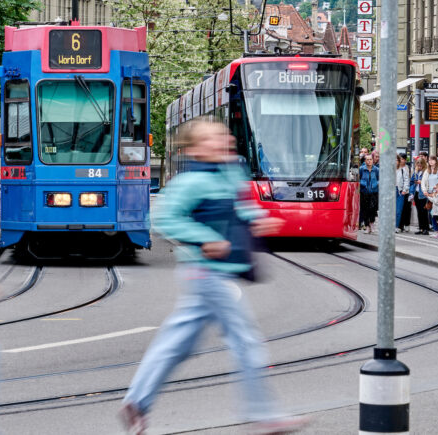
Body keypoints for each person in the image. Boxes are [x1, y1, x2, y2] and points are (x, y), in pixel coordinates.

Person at [119, 120, 302, 435]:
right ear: (193, 150)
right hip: (207, 273)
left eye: (221, 136)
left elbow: (240, 208)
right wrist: (205, 237)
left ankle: (136, 403)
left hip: (212, 274)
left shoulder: (229, 173)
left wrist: (258, 220)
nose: (221, 141)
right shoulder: (191, 182)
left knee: (177, 344)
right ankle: (264, 414)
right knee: (245, 340)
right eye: (210, 139)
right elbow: (164, 218)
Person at [358, 153, 379, 234]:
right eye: (367, 159)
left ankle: (372, 224)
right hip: (364, 192)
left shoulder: (376, 169)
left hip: (374, 192)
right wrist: (362, 183)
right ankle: (367, 226)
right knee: (365, 209)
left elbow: (379, 179)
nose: (369, 161)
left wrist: (376, 183)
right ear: (365, 161)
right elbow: (358, 179)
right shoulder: (361, 169)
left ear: (373, 160)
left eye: (370, 159)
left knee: (373, 209)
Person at [423, 157, 438, 236]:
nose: (430, 162)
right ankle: (435, 230)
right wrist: (424, 191)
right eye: (429, 160)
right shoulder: (427, 171)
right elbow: (423, 182)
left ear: (436, 161)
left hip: (437, 194)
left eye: (432, 160)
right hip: (429, 194)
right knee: (432, 213)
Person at [411, 156, 430, 235]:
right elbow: (411, 181)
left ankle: (426, 228)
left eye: (420, 165)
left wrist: (421, 182)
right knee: (419, 211)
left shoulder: (426, 172)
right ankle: (421, 228)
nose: (419, 167)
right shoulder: (416, 172)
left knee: (424, 211)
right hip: (417, 193)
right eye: (418, 165)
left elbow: (428, 182)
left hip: (423, 193)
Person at [395, 155, 411, 233]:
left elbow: (406, 180)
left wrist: (404, 190)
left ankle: (396, 226)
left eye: (396, 160)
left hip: (399, 191)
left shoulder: (403, 170)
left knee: (398, 210)